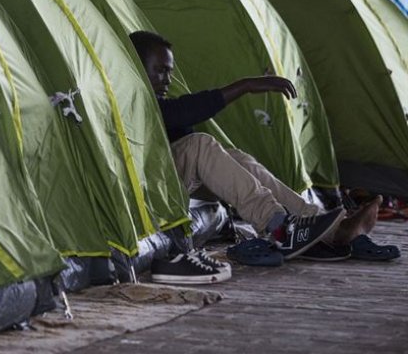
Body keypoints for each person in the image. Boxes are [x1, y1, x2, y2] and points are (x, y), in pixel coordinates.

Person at [129, 31, 387, 284]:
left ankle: (325, 227)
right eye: (160, 70)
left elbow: (177, 117)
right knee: (200, 144)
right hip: (144, 189)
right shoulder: (128, 98)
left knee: (237, 158)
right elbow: (177, 114)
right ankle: (277, 227)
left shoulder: (155, 102)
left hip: (166, 181)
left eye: (170, 71)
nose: (167, 79)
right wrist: (246, 86)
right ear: (138, 68)